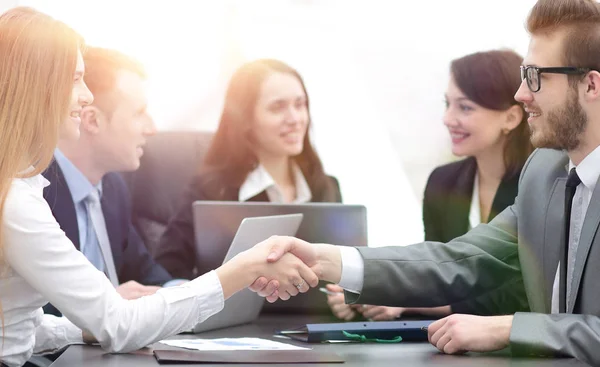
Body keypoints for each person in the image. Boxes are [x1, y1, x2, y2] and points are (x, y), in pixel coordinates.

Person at [253, 0, 600, 364]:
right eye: (524, 74)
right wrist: (327, 259)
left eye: (536, 77)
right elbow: (461, 259)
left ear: (591, 85)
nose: (521, 94)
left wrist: (510, 327)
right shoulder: (545, 172)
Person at [0, 8, 316, 367]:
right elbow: (119, 325)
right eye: (75, 79)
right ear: (36, 85)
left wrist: (81, 328)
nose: (87, 95)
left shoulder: (20, 189)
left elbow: (18, 327)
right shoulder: (16, 202)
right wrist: (240, 271)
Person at [327, 50, 533, 321]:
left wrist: (413, 303)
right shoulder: (443, 182)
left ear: (511, 118)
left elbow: (526, 292)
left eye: (465, 107)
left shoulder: (539, 187)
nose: (448, 119)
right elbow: (433, 270)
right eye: (447, 104)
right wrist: (364, 293)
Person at [155, 59, 342, 279]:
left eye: (300, 105)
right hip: (238, 315)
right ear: (245, 119)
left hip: (315, 314)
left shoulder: (325, 187)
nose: (295, 119)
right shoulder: (211, 191)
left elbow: (342, 268)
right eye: (277, 107)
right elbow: (166, 268)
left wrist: (348, 298)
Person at [42, 47, 179, 317]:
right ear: (92, 120)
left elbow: (148, 276)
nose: (151, 128)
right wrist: (106, 304)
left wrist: (191, 291)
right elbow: (23, 310)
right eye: (139, 113)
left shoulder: (113, 188)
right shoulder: (34, 189)